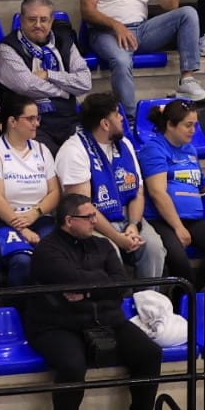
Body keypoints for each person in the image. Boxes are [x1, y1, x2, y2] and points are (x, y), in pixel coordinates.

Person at [22, 193, 161, 410]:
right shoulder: (47, 250)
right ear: (69, 220)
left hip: (106, 319)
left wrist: (87, 292)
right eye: (88, 217)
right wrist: (99, 284)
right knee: (72, 365)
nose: (95, 221)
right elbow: (72, 280)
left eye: (94, 215)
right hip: (58, 324)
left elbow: (121, 285)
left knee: (150, 353)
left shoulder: (104, 246)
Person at [55, 92, 162, 279]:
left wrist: (134, 225)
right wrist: (118, 237)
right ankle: (118, 305)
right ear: (105, 124)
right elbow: (82, 210)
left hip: (127, 215)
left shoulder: (125, 144)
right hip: (92, 221)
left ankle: (148, 302)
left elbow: (138, 191)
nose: (122, 118)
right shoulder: (74, 151)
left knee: (154, 248)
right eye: (117, 114)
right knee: (109, 251)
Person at [139, 100, 205, 297]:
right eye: (188, 125)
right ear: (170, 125)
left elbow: (203, 183)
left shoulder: (190, 150)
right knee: (179, 261)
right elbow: (158, 193)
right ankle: (182, 302)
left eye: (195, 124)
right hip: (162, 220)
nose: (194, 130)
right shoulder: (154, 149)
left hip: (192, 218)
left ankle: (190, 294)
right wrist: (178, 227)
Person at [0, 0, 91, 154]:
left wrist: (49, 74)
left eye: (43, 20)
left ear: (51, 21)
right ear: (22, 20)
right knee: (51, 163)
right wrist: (66, 91)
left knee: (83, 158)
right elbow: (28, 85)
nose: (38, 25)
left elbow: (85, 83)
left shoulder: (65, 42)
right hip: (30, 124)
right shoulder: (7, 48)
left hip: (68, 120)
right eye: (32, 19)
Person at [0, 97, 60, 287]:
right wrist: (22, 228)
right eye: (30, 119)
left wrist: (35, 213)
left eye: (37, 118)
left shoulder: (42, 149)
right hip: (1, 221)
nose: (36, 123)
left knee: (54, 256)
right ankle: (20, 313)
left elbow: (55, 192)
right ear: (13, 122)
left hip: (40, 218)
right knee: (22, 261)